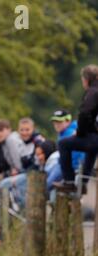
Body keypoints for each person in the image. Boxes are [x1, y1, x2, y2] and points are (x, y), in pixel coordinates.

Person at [54, 65, 98, 193]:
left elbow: (84, 113)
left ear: (85, 79)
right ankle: (83, 183)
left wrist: (81, 133)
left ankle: (69, 182)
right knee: (91, 148)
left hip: (94, 137)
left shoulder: (93, 91)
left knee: (63, 144)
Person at [47, 109, 85, 190]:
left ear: (68, 121)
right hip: (68, 165)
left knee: (47, 185)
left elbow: (75, 157)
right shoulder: (64, 132)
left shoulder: (69, 133)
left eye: (60, 122)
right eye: (55, 122)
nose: (57, 125)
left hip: (72, 168)